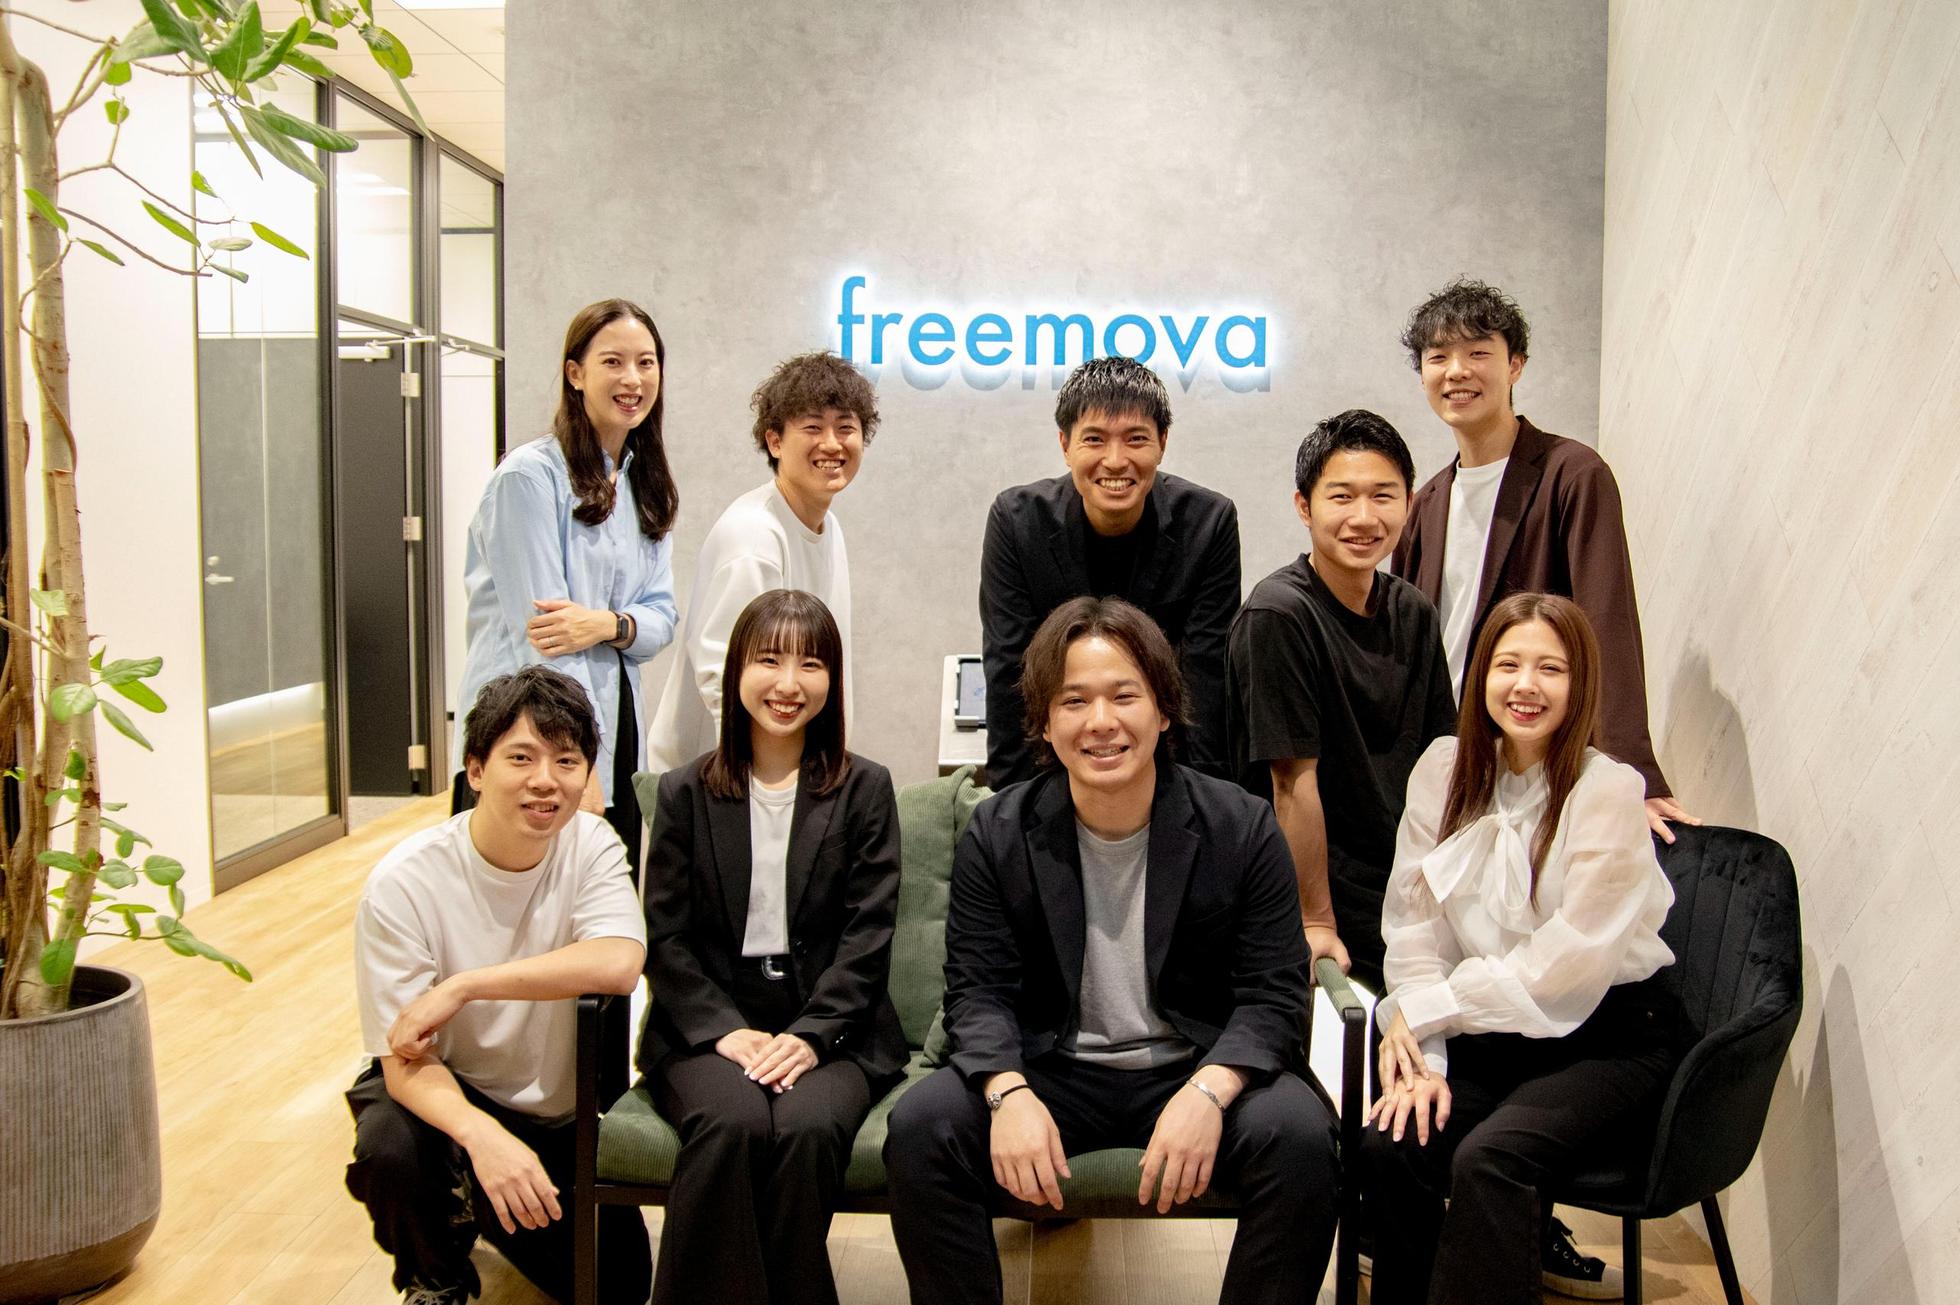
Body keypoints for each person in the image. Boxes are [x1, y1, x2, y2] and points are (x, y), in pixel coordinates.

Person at [886, 597, 1338, 1305]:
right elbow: (978, 991)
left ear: (1163, 710)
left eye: (1125, 695)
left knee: (1301, 1138)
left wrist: (1209, 1090)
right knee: (922, 1126)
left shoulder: (1241, 825)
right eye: (1074, 701)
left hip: (1194, 1063)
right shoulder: (998, 832)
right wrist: (1007, 1090)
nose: (1101, 721)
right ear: (1044, 722)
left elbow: (1274, 995)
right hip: (1051, 1067)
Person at [1361, 593, 1680, 1305]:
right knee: (1395, 1140)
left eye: (1550, 668)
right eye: (1508, 664)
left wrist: (1428, 1010)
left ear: (1580, 682)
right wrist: (1425, 1059)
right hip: (1490, 1032)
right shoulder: (1441, 770)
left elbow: (1565, 967)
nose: (1525, 685)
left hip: (1606, 1035)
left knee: (1490, 1160)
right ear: (1480, 675)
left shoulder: (1609, 791)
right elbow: (1413, 927)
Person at [346, 666, 653, 1305]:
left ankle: (474, 1203)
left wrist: (465, 986)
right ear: (476, 770)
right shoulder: (405, 882)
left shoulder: (590, 843)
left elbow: (620, 960)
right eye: (521, 757)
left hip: (554, 1117)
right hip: (444, 1097)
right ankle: (436, 1276)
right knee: (390, 1150)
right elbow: (403, 1061)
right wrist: (483, 1138)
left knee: (618, 1288)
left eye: (566, 761)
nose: (546, 780)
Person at [640, 589, 906, 1305]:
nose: (789, 683)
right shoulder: (684, 792)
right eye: (769, 660)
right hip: (708, 1028)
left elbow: (869, 935)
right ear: (736, 671)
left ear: (832, 680)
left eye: (810, 664)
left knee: (806, 1129)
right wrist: (724, 1031)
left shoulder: (865, 788)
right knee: (731, 1122)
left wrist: (812, 1035)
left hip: (835, 1028)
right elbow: (666, 938)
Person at [1390, 277, 1698, 844]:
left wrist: (1632, 774)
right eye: (1439, 357)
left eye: (1478, 353)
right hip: (1451, 763)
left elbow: (1606, 622)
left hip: (1543, 757)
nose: (1457, 371)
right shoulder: (1426, 504)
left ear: (1515, 366)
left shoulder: (1572, 474)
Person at [1227, 409, 1456, 987]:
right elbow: (1291, 784)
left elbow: (1443, 761)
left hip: (1407, 881)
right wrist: (1315, 921)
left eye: (1383, 495)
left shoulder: (1414, 611)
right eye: (1342, 497)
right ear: (1304, 507)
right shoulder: (1279, 614)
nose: (1364, 517)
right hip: (1321, 894)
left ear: (1409, 502)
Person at [453, 297, 679, 870]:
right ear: (575, 373)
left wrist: (606, 624)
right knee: (514, 907)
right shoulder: (529, 479)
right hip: (532, 743)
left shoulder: (643, 483)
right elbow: (547, 639)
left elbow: (662, 622)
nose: (633, 379)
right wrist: (579, 759)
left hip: (618, 727)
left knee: (601, 901)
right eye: (613, 362)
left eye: (646, 362)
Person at [979, 356, 1240, 789]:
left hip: (1165, 763)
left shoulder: (1208, 523)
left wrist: (1203, 803)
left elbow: (1206, 681)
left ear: (1162, 442)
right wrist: (1012, 801)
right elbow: (1010, 673)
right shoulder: (1018, 522)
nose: (1115, 461)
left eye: (1136, 439)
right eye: (1094, 439)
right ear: (1065, 445)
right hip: (1055, 763)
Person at [647, 352, 877, 774]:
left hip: (789, 772)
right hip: (719, 777)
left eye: (846, 427)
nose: (832, 443)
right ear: (775, 441)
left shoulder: (827, 526)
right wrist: (759, 784)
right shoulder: (754, 536)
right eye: (812, 427)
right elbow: (723, 674)